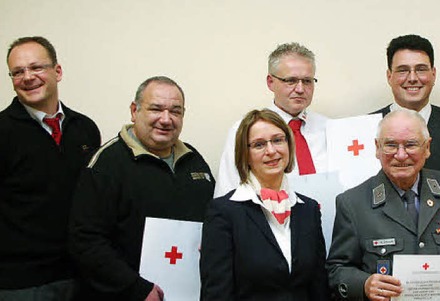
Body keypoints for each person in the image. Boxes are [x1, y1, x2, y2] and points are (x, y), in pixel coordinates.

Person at [69, 76, 215, 300]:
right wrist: (135, 288)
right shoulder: (106, 164)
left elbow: (213, 218)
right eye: (156, 109)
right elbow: (86, 242)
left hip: (187, 292)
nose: (166, 119)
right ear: (134, 110)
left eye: (175, 111)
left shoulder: (194, 161)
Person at [327, 109, 440, 300]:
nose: (401, 155)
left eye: (411, 145)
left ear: (427, 147)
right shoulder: (353, 203)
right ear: (377, 148)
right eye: (391, 145)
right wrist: (363, 284)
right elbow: (337, 269)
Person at [0, 36, 101, 300]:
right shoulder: (3, 131)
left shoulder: (85, 129)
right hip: (21, 284)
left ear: (57, 71)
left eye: (36, 67)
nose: (28, 77)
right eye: (18, 72)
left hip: (82, 276)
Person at [201, 109, 329, 300]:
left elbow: (319, 288)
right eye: (259, 145)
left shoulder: (308, 209)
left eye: (278, 140)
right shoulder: (223, 212)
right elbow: (216, 294)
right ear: (245, 154)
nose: (271, 151)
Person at [215, 42, 329, 198]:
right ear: (270, 82)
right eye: (291, 80)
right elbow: (227, 193)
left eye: (307, 81)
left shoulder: (329, 128)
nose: (301, 89)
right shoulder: (245, 130)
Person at [371, 34, 440, 187]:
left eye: (420, 69)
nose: (412, 78)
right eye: (402, 70)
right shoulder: (366, 127)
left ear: (433, 75)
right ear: (389, 76)